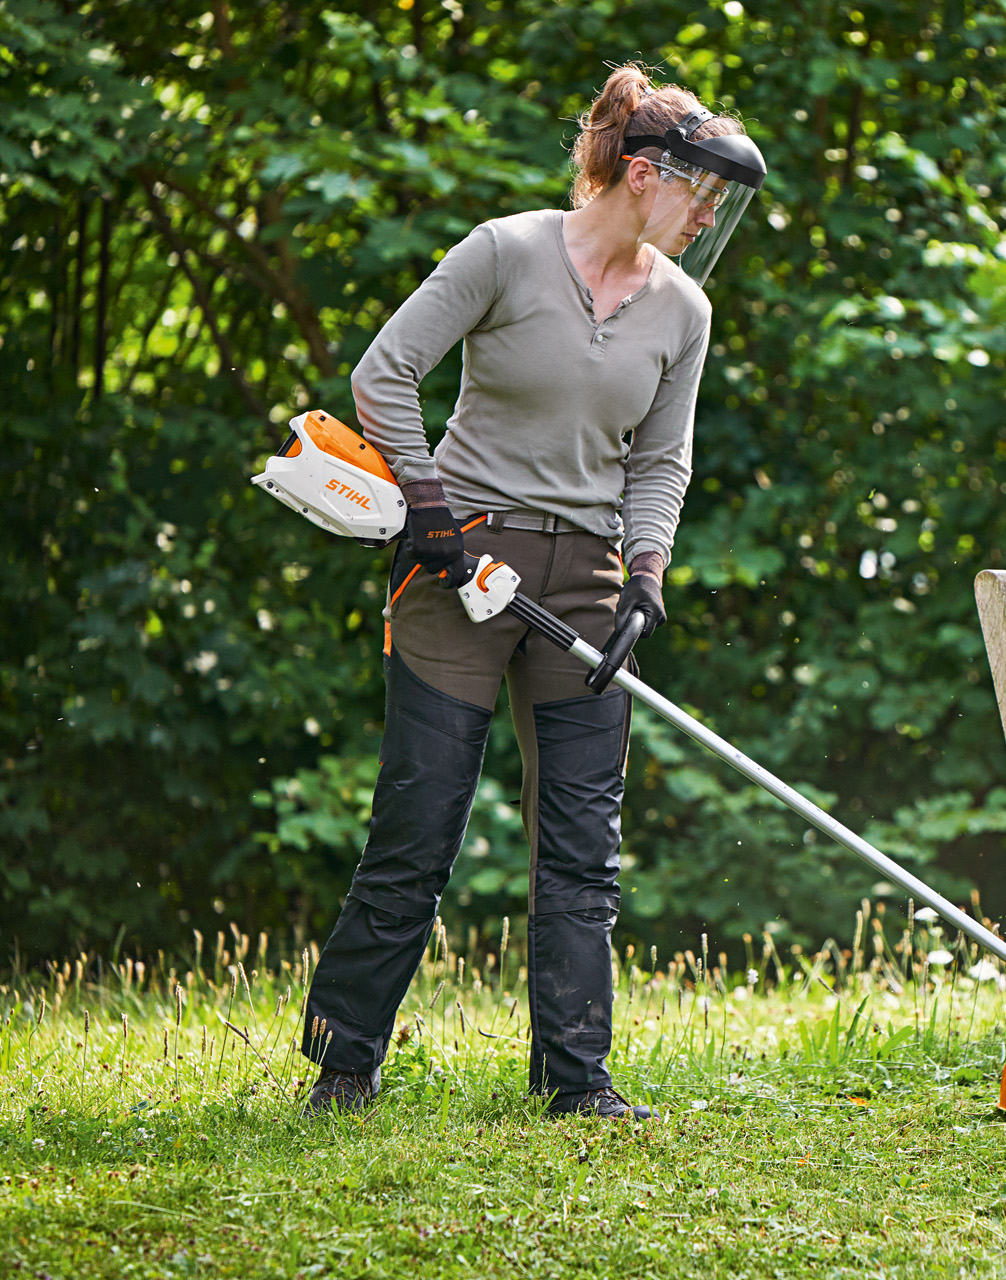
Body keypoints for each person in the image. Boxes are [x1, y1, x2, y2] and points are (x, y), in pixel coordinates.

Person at [298, 65, 766, 1119]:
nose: (708, 218)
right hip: (456, 566)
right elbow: (385, 376)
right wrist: (430, 509)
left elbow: (661, 462)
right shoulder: (505, 252)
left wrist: (647, 572)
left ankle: (576, 1078)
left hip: (587, 582)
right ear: (643, 173)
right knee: (420, 824)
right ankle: (343, 1059)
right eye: (702, 193)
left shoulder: (682, 310)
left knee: (583, 848)